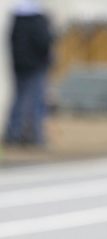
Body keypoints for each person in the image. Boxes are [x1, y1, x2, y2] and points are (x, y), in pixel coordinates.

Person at [2, 0, 53, 146]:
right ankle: (35, 137)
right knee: (36, 102)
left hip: (19, 67)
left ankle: (13, 134)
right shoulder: (37, 20)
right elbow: (44, 42)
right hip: (35, 67)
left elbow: (11, 42)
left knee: (19, 101)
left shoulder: (16, 20)